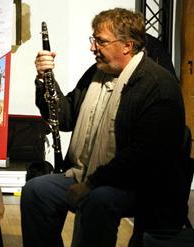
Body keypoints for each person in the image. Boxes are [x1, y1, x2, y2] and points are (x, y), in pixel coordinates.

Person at [21, 8, 188, 247]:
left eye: (100, 41)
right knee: (36, 191)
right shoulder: (96, 74)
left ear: (127, 46)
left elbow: (144, 157)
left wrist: (91, 185)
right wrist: (44, 78)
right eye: (94, 40)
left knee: (97, 200)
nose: (93, 47)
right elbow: (65, 117)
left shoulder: (157, 85)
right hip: (85, 174)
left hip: (137, 183)